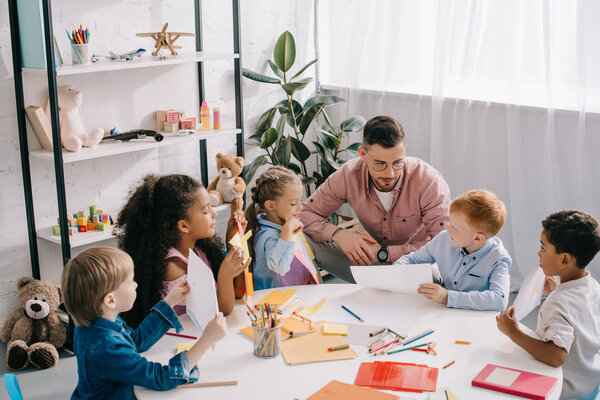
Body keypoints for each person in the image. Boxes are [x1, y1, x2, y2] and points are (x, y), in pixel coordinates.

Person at [61, 246, 228, 399]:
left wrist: (170, 301)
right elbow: (161, 378)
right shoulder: (106, 346)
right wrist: (207, 339)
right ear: (110, 300)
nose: (136, 285)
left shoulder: (96, 322)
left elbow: (135, 341)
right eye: (130, 281)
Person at [301, 115, 451, 282]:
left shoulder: (427, 179)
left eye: (397, 163)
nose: (390, 173)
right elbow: (305, 213)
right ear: (363, 154)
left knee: (436, 279)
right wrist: (339, 234)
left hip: (413, 266)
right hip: (368, 262)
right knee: (304, 242)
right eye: (380, 164)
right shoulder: (349, 174)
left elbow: (444, 242)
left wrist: (386, 253)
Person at [114, 174, 250, 327]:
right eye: (206, 211)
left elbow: (237, 292)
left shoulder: (200, 250)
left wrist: (231, 240)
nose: (214, 214)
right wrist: (225, 275)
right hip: (185, 341)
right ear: (184, 226)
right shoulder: (174, 267)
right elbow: (221, 311)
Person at [497, 210, 600, 400]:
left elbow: (555, 356)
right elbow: (578, 316)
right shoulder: (592, 286)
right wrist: (556, 291)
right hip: (589, 385)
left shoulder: (558, 303)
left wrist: (513, 332)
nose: (539, 253)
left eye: (543, 248)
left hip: (563, 390)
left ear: (564, 260)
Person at [394, 190, 511, 311]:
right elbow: (413, 259)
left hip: (474, 317)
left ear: (477, 238)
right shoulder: (444, 239)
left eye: (455, 227)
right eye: (450, 223)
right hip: (442, 312)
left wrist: (447, 297)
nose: (448, 229)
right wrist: (395, 270)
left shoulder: (498, 259)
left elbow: (499, 299)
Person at [245, 166, 320, 290]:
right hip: (276, 302)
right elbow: (280, 267)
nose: (300, 207)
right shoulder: (268, 235)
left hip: (296, 295)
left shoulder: (284, 224)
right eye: (293, 203)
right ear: (270, 205)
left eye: (299, 201)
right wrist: (287, 230)